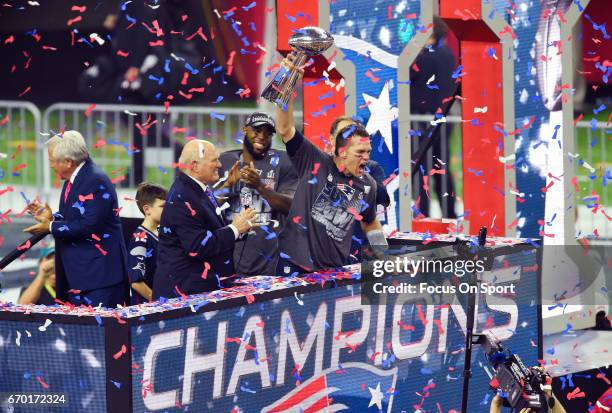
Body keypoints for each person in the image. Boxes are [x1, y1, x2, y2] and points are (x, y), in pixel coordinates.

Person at [274, 53, 388, 276]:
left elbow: (370, 223)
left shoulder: (368, 185)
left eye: (368, 152)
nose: (366, 158)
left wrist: (383, 258)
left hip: (333, 271)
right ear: (342, 152)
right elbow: (285, 129)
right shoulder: (315, 160)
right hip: (295, 266)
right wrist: (286, 84)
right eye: (360, 152)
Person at [24, 131, 128, 308]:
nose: (51, 166)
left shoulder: (95, 180)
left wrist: (50, 227)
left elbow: (88, 226)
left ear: (68, 162)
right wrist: (52, 218)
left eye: (52, 160)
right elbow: (77, 216)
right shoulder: (75, 178)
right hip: (81, 276)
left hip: (99, 279)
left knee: (100, 334)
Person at [152, 140, 257, 299]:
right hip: (183, 295)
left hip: (197, 288)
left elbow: (206, 217)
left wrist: (228, 186)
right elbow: (197, 246)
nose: (220, 165)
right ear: (194, 165)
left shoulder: (196, 188)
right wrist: (235, 229)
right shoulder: (182, 198)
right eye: (214, 160)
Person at [218, 112, 298, 275]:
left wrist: (260, 186)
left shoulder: (283, 162)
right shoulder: (225, 161)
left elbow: (291, 206)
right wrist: (226, 187)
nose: (262, 136)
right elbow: (206, 204)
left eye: (268, 133)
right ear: (244, 130)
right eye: (257, 130)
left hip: (268, 261)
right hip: (227, 257)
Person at [410, 16, 457, 218]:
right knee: (441, 166)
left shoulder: (422, 57)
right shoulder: (448, 54)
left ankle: (424, 214)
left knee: (424, 170)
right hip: (444, 118)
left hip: (422, 119)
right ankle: (450, 212)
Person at [127, 182, 167, 304]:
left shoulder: (164, 232)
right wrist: (158, 302)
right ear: (147, 209)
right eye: (162, 207)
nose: (168, 210)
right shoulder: (140, 238)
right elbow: (136, 283)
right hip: (148, 312)